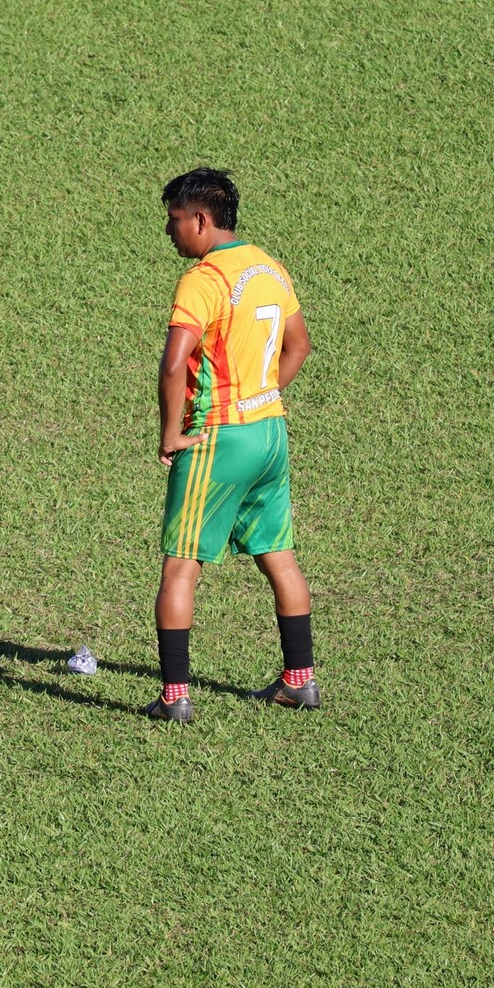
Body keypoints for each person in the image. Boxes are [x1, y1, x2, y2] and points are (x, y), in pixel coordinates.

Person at [146, 168, 319, 724]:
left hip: (217, 438)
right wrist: (259, 397)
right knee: (279, 556)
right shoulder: (269, 267)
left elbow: (173, 364)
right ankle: (299, 682)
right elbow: (299, 346)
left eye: (174, 220)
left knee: (180, 568)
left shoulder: (203, 280)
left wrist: (172, 432)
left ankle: (175, 697)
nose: (169, 231)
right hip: (269, 433)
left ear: (201, 219)